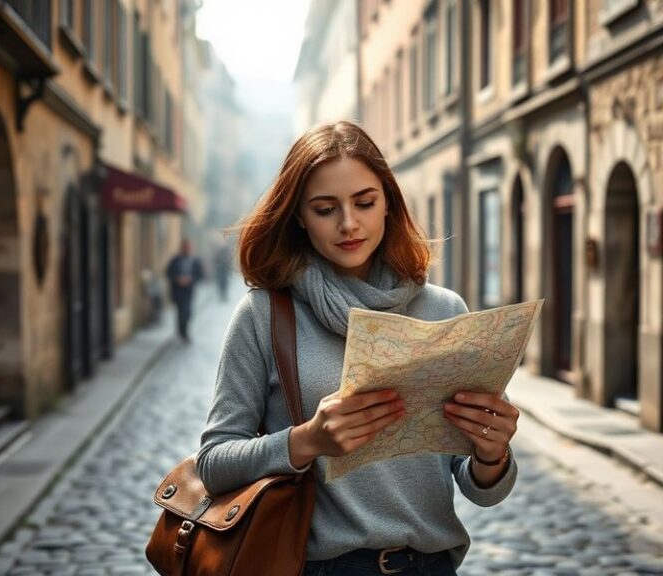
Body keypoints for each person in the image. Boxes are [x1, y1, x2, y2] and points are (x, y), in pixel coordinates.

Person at [196, 121, 519, 576]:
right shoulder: (265, 315)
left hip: (432, 565)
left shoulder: (445, 309)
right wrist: (306, 440)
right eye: (325, 209)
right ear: (299, 218)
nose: (349, 224)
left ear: (388, 202)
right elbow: (213, 463)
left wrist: (493, 453)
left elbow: (481, 488)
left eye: (364, 202)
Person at [165, 238, 203, 341]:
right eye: (185, 247)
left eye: (189, 247)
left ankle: (184, 331)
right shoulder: (175, 260)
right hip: (177, 291)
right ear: (182, 247)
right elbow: (168, 273)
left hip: (189, 291)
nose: (187, 249)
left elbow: (200, 274)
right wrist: (178, 279)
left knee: (188, 312)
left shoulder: (195, 260)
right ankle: (181, 331)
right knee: (180, 312)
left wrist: (191, 279)